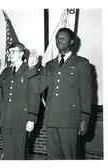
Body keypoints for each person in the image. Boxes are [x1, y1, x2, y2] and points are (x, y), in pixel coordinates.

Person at [27, 28, 92, 159]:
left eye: (63, 37)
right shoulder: (49, 64)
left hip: (70, 120)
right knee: (53, 157)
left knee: (69, 157)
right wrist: (31, 68)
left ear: (72, 41)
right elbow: (38, 87)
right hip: (51, 119)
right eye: (57, 37)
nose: (59, 39)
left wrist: (84, 119)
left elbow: (86, 94)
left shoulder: (82, 63)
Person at [0, 42, 40, 160]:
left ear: (22, 54)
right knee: (8, 154)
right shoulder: (6, 71)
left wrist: (31, 119)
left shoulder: (29, 70)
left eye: (14, 51)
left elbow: (34, 95)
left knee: (19, 154)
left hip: (21, 119)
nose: (10, 54)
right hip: (6, 118)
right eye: (9, 52)